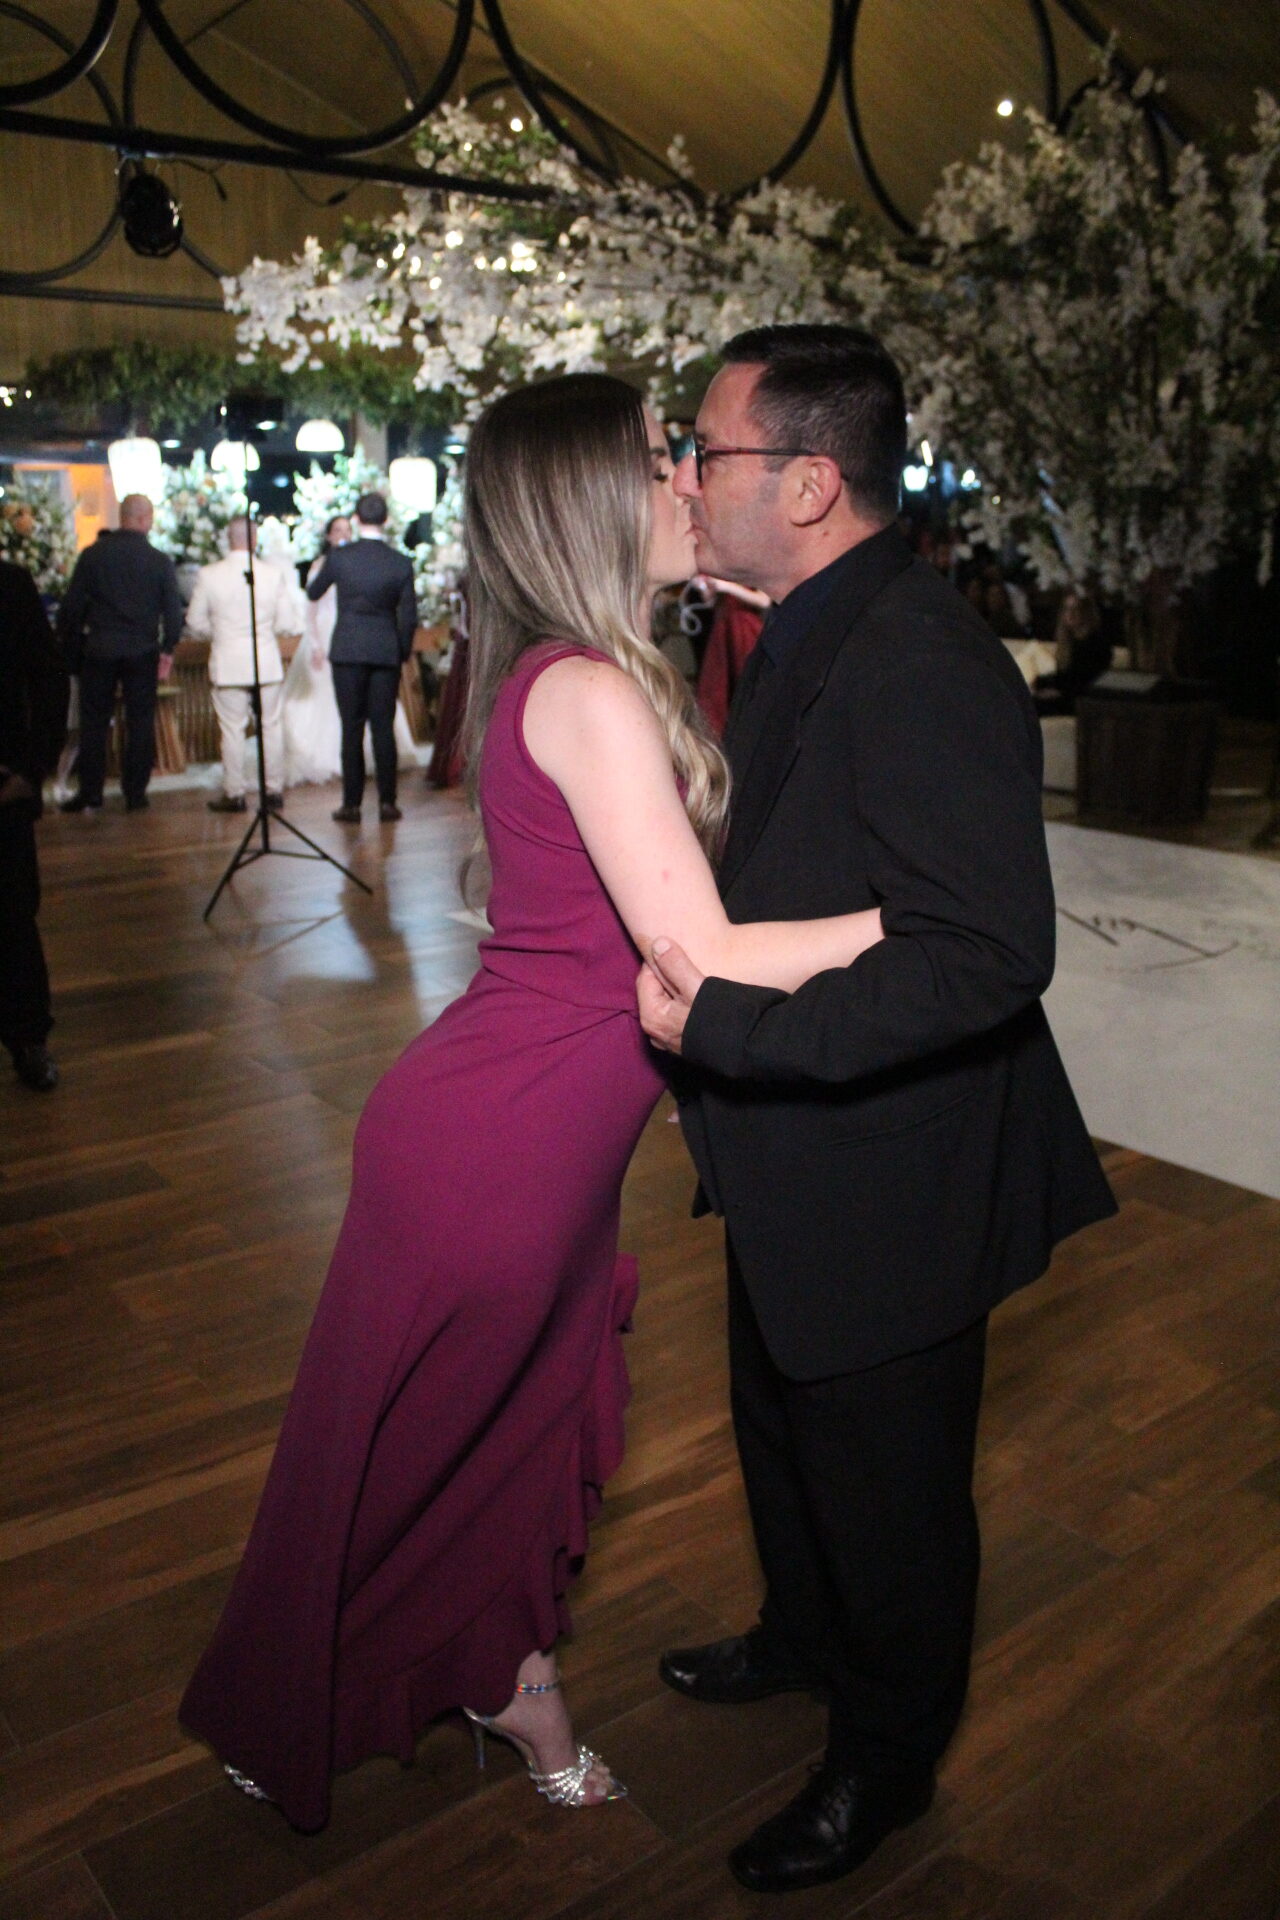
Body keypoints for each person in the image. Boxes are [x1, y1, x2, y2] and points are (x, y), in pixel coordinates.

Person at [179, 373, 885, 1833]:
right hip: (498, 1151)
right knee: (411, 1453)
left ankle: (507, 1678)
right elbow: (702, 955)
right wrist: (919, 922)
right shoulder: (587, 690)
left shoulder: (578, 674)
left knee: (502, 1436)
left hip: (529, 1135)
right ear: (585, 498)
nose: (688, 480)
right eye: (659, 459)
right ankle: (304, 1689)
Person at [636, 324, 1117, 1895]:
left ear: (810, 484)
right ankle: (802, 1635)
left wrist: (731, 1030)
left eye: (707, 451)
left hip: (889, 1176)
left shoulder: (918, 657)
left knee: (889, 1496)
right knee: (785, 1434)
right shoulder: (805, 625)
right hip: (802, 1156)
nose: (686, 479)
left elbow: (984, 952)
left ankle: (886, 1765)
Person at [56, 493, 183, 814]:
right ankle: (135, 793)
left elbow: (71, 607)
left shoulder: (93, 555)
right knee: (140, 721)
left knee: (94, 723)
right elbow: (173, 611)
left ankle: (91, 792)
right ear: (144, 519)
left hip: (100, 648)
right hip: (142, 650)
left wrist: (73, 647)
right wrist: (168, 647)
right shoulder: (159, 560)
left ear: (122, 517)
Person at [282, 514, 416, 788]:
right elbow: (312, 602)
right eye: (337, 530)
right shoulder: (336, 561)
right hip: (339, 638)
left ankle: (357, 798)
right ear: (328, 535)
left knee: (365, 723)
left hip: (350, 640)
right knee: (360, 720)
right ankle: (381, 797)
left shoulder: (352, 560)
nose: (343, 534)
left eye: (347, 529)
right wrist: (316, 643)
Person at [0, 556, 69, 1091]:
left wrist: (32, 768)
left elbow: (48, 679)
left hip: (3, 781)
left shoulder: (9, 584)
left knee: (13, 913)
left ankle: (27, 1037)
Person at [307, 491, 417, 823]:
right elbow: (409, 616)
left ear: (356, 519)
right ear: (386, 520)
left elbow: (313, 591)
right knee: (383, 728)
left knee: (351, 728)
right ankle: (387, 802)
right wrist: (401, 651)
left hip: (348, 649)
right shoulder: (400, 562)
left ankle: (351, 804)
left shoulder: (341, 557)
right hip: (384, 650)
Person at [184, 517, 297, 813]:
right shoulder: (272, 574)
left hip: (228, 661)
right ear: (255, 540)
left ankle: (235, 793)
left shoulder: (209, 575)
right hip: (265, 660)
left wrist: (220, 633)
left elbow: (194, 621)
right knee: (270, 727)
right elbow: (286, 623)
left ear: (228, 539)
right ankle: (273, 790)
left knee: (232, 730)